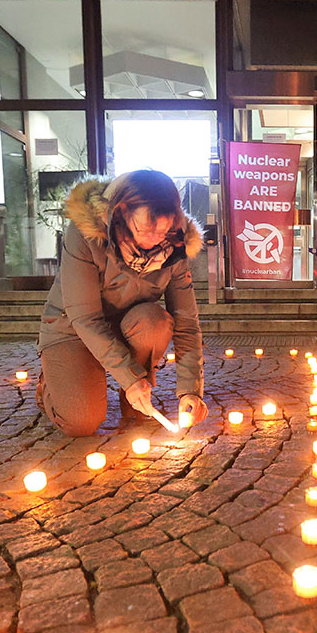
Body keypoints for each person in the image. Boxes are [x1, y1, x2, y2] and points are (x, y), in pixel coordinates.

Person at [36, 169, 208, 436]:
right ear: (121, 212)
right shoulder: (87, 234)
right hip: (72, 330)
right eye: (144, 229)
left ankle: (136, 398)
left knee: (156, 321)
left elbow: (186, 321)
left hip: (130, 326)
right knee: (81, 422)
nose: (153, 240)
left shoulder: (175, 245)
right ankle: (52, 384)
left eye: (162, 231)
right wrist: (129, 377)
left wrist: (191, 390)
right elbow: (85, 318)